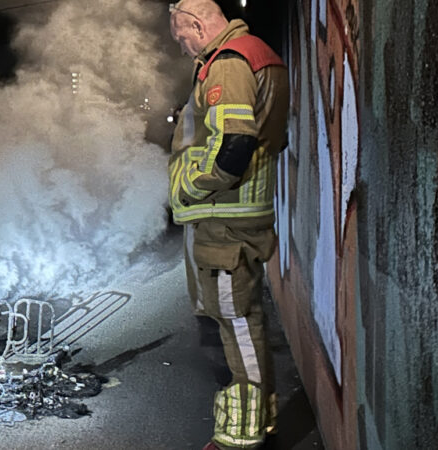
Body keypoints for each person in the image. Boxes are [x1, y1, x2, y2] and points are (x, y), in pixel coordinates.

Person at [166, 1, 289, 449]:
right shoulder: (254, 54)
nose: (182, 47)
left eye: (182, 37)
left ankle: (243, 434)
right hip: (228, 217)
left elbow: (233, 146)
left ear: (198, 24)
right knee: (233, 319)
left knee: (236, 323)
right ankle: (256, 419)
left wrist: (189, 189)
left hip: (224, 217)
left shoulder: (230, 62)